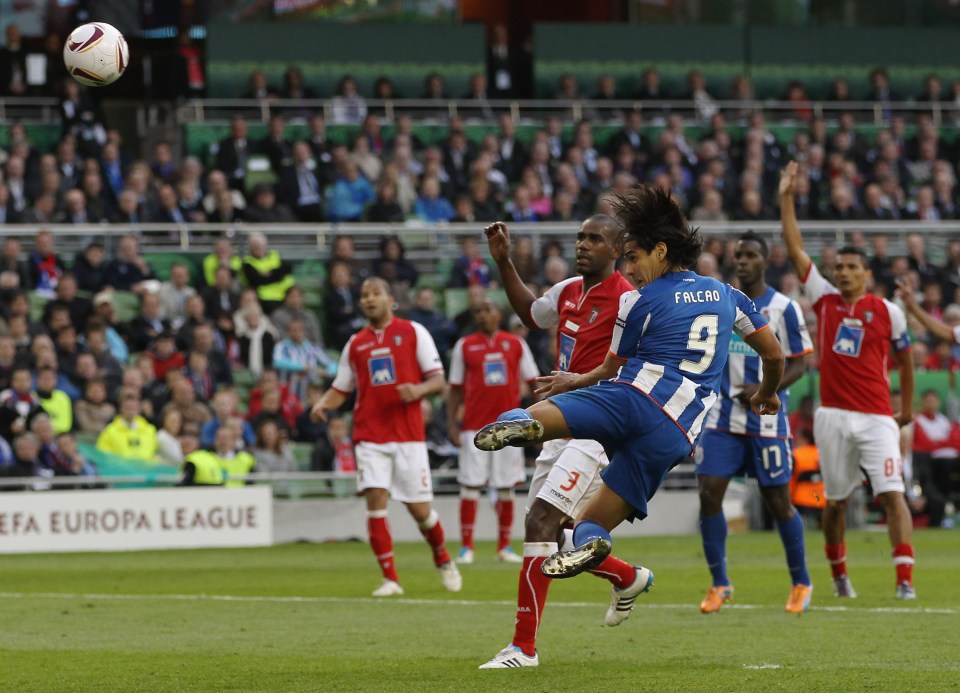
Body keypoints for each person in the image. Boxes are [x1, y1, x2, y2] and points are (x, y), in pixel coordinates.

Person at [474, 189, 784, 664]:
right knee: (587, 527)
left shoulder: (635, 301)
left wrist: (573, 383)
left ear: (660, 251)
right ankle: (609, 560)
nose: (630, 268)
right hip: (677, 433)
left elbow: (611, 370)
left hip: (634, 399)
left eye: (634, 257)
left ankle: (518, 422)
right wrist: (767, 392)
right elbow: (775, 355)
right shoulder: (729, 296)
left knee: (549, 424)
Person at [475, 215, 643, 670]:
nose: (583, 244)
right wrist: (505, 262)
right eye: (580, 237)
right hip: (558, 425)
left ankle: (523, 648)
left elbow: (627, 365)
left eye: (595, 239)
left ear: (618, 250)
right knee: (549, 533)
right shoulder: (569, 289)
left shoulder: (630, 300)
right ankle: (627, 576)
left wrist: (579, 381)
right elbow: (531, 315)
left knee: (542, 522)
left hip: (600, 426)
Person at [779, 160, 916, 600]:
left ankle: (904, 581)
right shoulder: (824, 300)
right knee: (834, 502)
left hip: (877, 416)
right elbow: (797, 248)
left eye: (852, 268)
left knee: (893, 494)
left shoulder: (888, 311)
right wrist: (786, 198)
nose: (842, 273)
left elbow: (907, 359)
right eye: (839, 267)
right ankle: (839, 575)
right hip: (833, 415)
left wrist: (907, 408)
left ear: (867, 274)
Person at [310, 277, 462, 597]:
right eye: (364, 295)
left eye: (376, 293)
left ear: (389, 298)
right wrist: (324, 403)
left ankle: (443, 557)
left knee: (420, 511)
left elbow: (438, 380)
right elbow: (342, 387)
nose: (369, 299)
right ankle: (390, 579)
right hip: (369, 435)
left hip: (408, 437)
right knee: (375, 502)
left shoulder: (413, 332)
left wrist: (418, 389)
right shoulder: (356, 344)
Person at [695, 230, 814, 615]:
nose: (742, 261)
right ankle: (719, 583)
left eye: (750, 255)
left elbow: (800, 362)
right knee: (709, 494)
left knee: (778, 502)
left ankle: (800, 582)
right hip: (721, 419)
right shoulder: (721, 301)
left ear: (766, 260)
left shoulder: (784, 307)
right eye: (738, 255)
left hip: (766, 421)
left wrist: (766, 387)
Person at [447, 298, 539, 564]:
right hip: (473, 427)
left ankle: (504, 547)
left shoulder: (516, 344)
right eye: (478, 311)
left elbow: (533, 383)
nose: (483, 315)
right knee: (470, 485)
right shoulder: (464, 346)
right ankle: (466, 547)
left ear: (498, 314)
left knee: (506, 487)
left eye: (488, 309)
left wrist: (537, 419)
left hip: (507, 427)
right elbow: (454, 388)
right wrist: (453, 424)